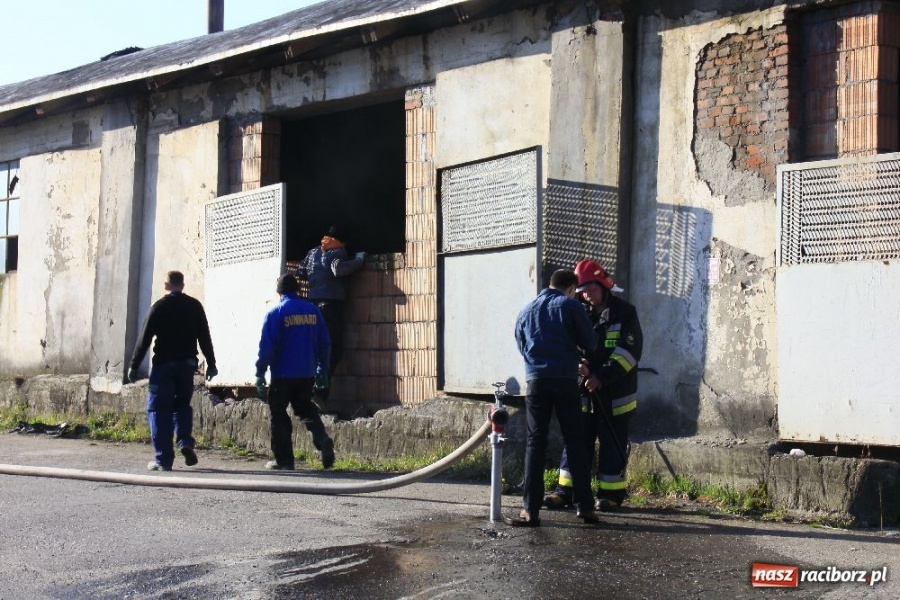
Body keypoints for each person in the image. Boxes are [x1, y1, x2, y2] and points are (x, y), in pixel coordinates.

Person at [543, 260, 643, 512]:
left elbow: (629, 353)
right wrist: (578, 366)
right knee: (576, 441)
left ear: (603, 285)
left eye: (590, 289)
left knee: (612, 444)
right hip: (583, 391)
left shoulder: (625, 313)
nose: (586, 295)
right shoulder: (577, 310)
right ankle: (566, 491)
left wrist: (601, 376)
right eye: (582, 290)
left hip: (615, 394)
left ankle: (610, 495)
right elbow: (568, 344)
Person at [505, 269, 601, 527]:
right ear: (571, 288)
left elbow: (522, 345)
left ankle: (530, 510)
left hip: (536, 381)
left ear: (550, 284)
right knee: (576, 441)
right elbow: (590, 341)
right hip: (565, 381)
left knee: (535, 443)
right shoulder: (570, 306)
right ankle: (584, 507)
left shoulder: (526, 310)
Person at [128, 270, 218, 471]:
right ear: (183, 285)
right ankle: (185, 441)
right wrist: (211, 363)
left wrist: (134, 366)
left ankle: (163, 460)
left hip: (163, 368)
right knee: (182, 406)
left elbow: (144, 340)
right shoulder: (195, 306)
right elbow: (205, 336)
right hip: (187, 367)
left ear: (166, 285)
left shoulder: (158, 307)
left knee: (158, 410)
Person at [255, 273, 335, 470]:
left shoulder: (276, 313)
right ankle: (322, 439)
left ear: (279, 292)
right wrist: (322, 369)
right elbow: (324, 343)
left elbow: (267, 347)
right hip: (306, 374)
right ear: (298, 290)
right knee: (306, 409)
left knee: (279, 415)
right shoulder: (313, 311)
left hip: (282, 375)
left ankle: (285, 462)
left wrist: (260, 372)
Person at [294, 225, 365, 410]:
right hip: (329, 308)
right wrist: (358, 260)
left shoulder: (312, 252)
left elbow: (300, 272)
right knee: (333, 352)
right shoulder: (337, 251)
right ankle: (318, 394)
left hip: (313, 307)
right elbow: (337, 270)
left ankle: (307, 392)